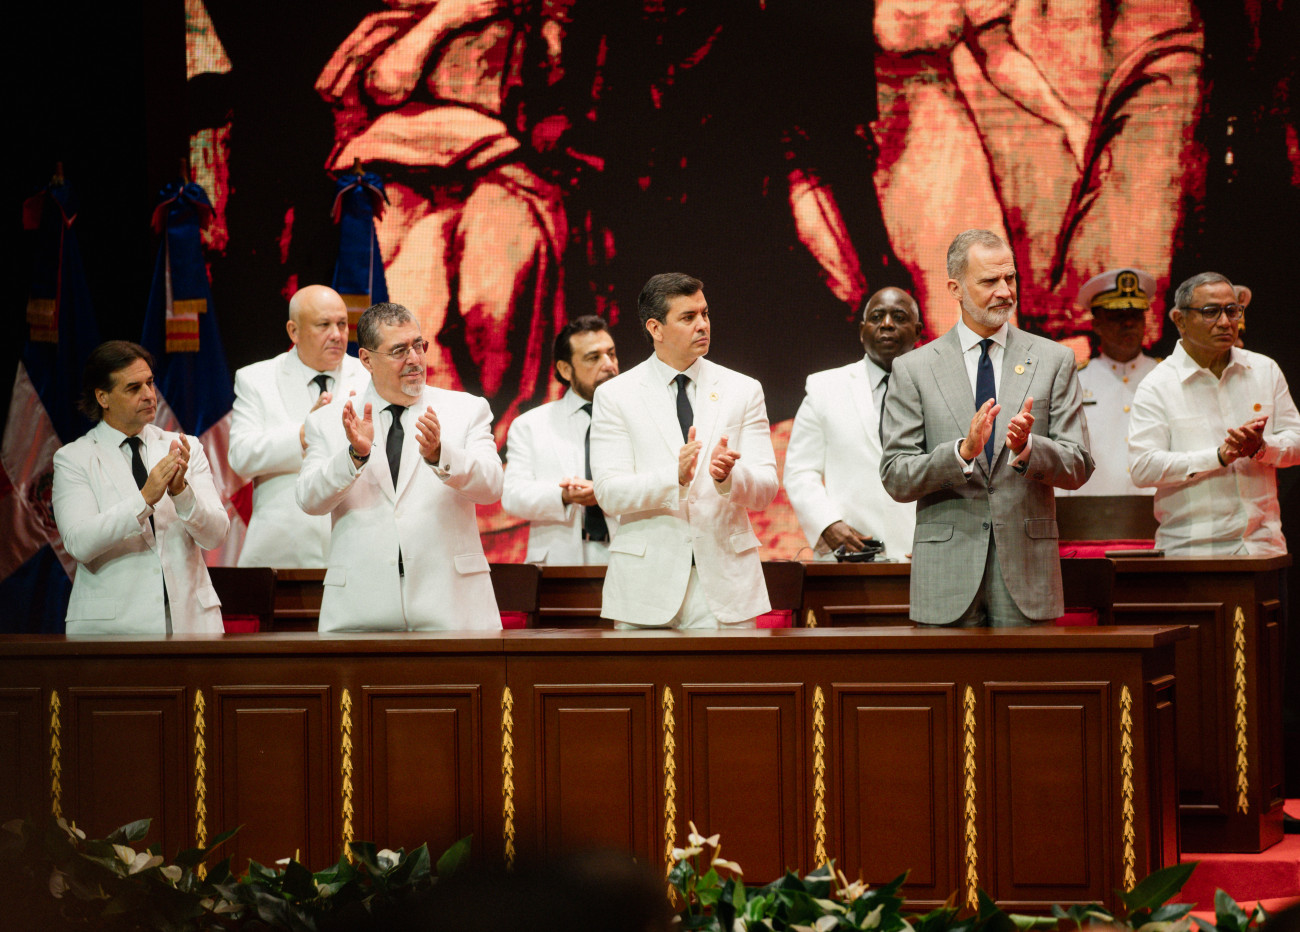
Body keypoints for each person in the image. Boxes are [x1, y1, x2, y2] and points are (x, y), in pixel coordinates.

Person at [880, 229, 1093, 626]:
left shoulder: (1054, 360)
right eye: (990, 281)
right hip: (945, 577)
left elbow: (1079, 465)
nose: (1005, 291)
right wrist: (960, 454)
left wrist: (1028, 449)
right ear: (955, 289)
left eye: (1010, 278)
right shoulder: (913, 369)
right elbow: (896, 476)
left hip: (1028, 575)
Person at [296, 302, 503, 631]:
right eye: (399, 350)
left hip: (453, 606)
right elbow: (309, 500)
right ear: (367, 360)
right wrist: (353, 457)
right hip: (359, 608)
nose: (415, 359)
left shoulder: (466, 409)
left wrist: (440, 455)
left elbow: (492, 486)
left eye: (418, 345)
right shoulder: (329, 420)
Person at [590, 273, 778, 628]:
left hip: (727, 586)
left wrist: (729, 478)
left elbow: (766, 488)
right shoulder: (615, 395)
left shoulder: (743, 389)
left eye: (704, 314)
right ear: (655, 328)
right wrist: (672, 478)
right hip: (643, 587)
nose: (702, 325)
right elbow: (609, 493)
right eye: (688, 317)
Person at [52, 341, 230, 634]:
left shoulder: (185, 446)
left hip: (191, 623)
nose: (149, 395)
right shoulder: (74, 458)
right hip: (113, 631)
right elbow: (79, 544)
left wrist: (182, 493)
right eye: (133, 388)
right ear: (103, 397)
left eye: (149, 383)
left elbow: (215, 536)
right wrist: (144, 500)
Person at [1128, 272, 1300, 556]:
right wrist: (1217, 457)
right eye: (1210, 312)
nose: (1225, 322)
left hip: (1265, 550)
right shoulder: (1157, 384)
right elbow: (1143, 468)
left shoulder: (1265, 370)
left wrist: (1261, 447)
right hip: (1192, 553)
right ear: (1180, 320)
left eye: (1232, 311)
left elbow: (1296, 442)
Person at [228, 285, 369, 567]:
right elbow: (240, 457)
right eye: (324, 325)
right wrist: (305, 434)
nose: (337, 334)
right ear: (294, 331)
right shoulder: (257, 379)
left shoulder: (369, 377)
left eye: (342, 324)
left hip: (357, 548)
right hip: (283, 551)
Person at [785, 286, 920, 560]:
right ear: (861, 330)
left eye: (899, 317)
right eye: (877, 317)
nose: (887, 324)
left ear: (918, 332)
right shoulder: (824, 387)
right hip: (850, 555)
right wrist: (827, 524)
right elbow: (800, 471)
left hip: (922, 554)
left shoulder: (937, 388)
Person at [502, 315, 620, 564]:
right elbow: (512, 496)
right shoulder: (531, 425)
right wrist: (564, 496)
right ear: (565, 370)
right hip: (559, 561)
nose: (609, 365)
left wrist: (608, 492)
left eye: (611, 354)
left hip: (628, 556)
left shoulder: (637, 418)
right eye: (593, 357)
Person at [1060, 268, 1160, 496]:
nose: (1129, 323)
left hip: (1158, 506)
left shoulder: (1165, 376)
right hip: (1092, 507)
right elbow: (1062, 454)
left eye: (1136, 315)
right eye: (1118, 316)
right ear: (1097, 324)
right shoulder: (1075, 381)